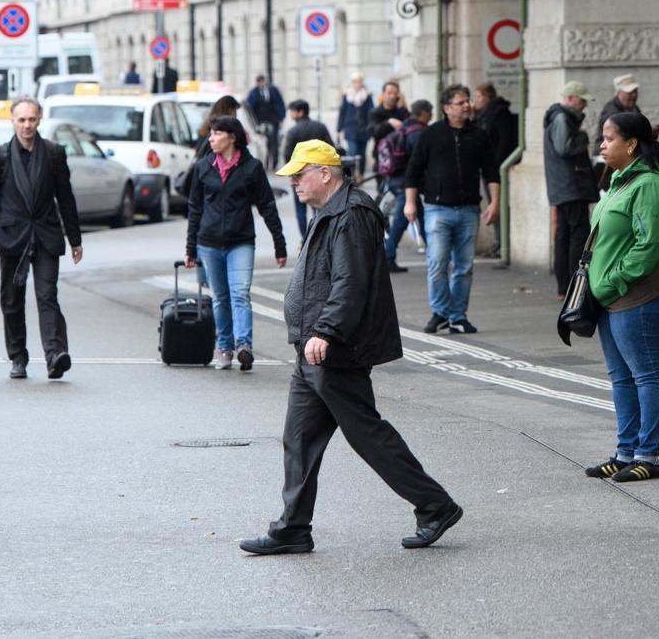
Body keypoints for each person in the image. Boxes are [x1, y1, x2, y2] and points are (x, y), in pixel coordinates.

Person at [239, 140, 461, 555]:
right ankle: (292, 528)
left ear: (325, 173)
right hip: (313, 347)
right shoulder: (329, 211)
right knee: (299, 439)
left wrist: (326, 331)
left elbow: (350, 282)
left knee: (368, 436)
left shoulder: (353, 213)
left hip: (335, 348)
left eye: (299, 174)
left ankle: (435, 505)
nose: (294, 183)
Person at [582, 112, 659, 484]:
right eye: (601, 139)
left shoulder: (650, 185)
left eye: (608, 138)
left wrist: (614, 280)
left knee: (645, 374)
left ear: (632, 144)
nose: (602, 145)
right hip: (610, 295)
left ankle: (647, 455)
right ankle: (625, 451)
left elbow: (649, 245)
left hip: (639, 292)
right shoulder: (621, 181)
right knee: (621, 377)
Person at [0, 96, 82, 380]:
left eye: (32, 119)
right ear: (12, 121)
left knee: (47, 295)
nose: (27, 125)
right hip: (12, 238)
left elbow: (66, 198)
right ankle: (18, 356)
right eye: (21, 120)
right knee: (12, 300)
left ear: (40, 120)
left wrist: (75, 239)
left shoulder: (53, 153)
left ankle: (54, 355)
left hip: (46, 235)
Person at [185, 117, 288, 371]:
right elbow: (194, 208)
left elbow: (267, 206)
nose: (211, 138)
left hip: (240, 242)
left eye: (217, 133)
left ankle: (244, 346)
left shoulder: (251, 168)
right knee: (220, 298)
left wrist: (279, 243)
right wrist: (190, 247)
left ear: (232, 137)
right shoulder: (203, 166)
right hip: (208, 243)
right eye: (210, 133)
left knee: (240, 294)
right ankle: (225, 348)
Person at [402, 85, 500, 334]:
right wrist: (410, 202)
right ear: (447, 108)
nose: (467, 105)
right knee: (437, 262)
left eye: (468, 101)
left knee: (464, 267)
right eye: (461, 102)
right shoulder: (431, 134)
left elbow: (491, 171)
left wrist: (495, 203)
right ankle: (440, 312)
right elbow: (413, 170)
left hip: (469, 210)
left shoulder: (478, 135)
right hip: (437, 209)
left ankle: (458, 316)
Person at [544, 81, 599, 299]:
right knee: (576, 234)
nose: (584, 104)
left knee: (565, 235)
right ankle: (573, 283)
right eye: (582, 99)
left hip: (565, 186)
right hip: (571, 185)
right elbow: (564, 147)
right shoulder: (562, 118)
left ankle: (565, 285)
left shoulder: (559, 118)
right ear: (570, 98)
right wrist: (583, 138)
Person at [381, 99, 432, 273]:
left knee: (419, 218)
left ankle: (435, 256)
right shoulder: (419, 133)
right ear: (424, 113)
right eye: (430, 113)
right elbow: (420, 163)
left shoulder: (403, 128)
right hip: (407, 183)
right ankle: (387, 258)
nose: (431, 117)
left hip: (397, 180)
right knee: (401, 222)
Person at [471, 82, 520, 257]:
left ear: (487, 97)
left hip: (496, 168)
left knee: (497, 206)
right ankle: (498, 242)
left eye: (478, 97)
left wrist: (494, 164)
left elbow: (504, 142)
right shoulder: (480, 115)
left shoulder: (499, 114)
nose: (475, 101)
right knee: (493, 207)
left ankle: (502, 244)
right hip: (488, 168)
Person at [282, 100, 335, 238]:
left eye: (293, 111)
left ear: (300, 112)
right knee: (319, 205)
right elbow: (331, 148)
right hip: (319, 173)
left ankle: (305, 238)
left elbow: (287, 154)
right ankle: (319, 235)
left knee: (300, 209)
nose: (291, 114)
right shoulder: (320, 127)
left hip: (299, 173)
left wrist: (292, 174)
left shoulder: (293, 131)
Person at [367, 81, 409, 171]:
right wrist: (389, 123)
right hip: (382, 157)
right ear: (383, 94)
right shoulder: (375, 113)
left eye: (395, 93)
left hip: (401, 156)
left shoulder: (403, 112)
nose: (392, 96)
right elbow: (373, 131)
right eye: (389, 93)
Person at [336, 74, 374, 162]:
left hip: (364, 129)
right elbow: (342, 112)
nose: (358, 83)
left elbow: (372, 112)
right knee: (353, 151)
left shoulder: (367, 96)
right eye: (355, 81)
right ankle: (353, 173)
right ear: (352, 83)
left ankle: (360, 173)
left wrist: (371, 127)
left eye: (359, 81)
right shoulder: (347, 95)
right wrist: (339, 129)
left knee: (362, 153)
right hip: (350, 129)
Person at [597, 73, 642, 143]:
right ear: (619, 93)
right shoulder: (611, 113)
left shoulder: (634, 108)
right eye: (630, 92)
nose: (634, 95)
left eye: (635, 91)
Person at [247, 75, 287, 149]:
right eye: (259, 82)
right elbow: (250, 107)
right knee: (263, 141)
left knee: (274, 141)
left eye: (262, 82)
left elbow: (280, 103)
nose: (261, 84)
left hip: (273, 119)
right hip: (260, 121)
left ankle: (275, 160)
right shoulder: (253, 93)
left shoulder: (273, 90)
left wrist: (281, 117)